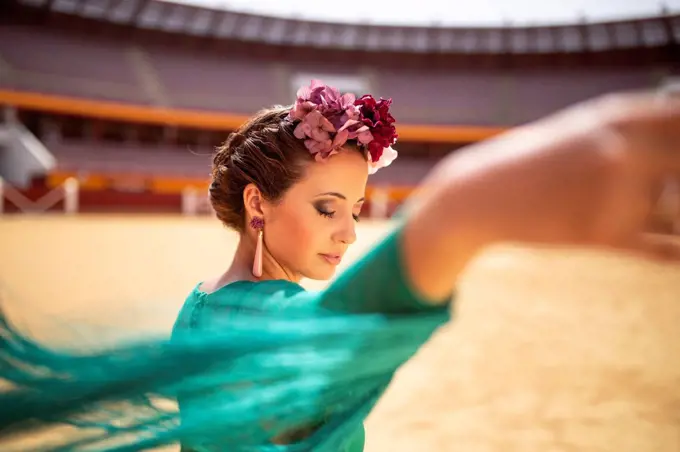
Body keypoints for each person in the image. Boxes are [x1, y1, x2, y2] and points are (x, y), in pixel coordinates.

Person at [1, 81, 679, 452]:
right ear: (256, 203)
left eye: (356, 208)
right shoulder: (286, 324)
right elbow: (352, 319)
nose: (351, 233)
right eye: (329, 209)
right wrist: (465, 208)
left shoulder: (201, 304)